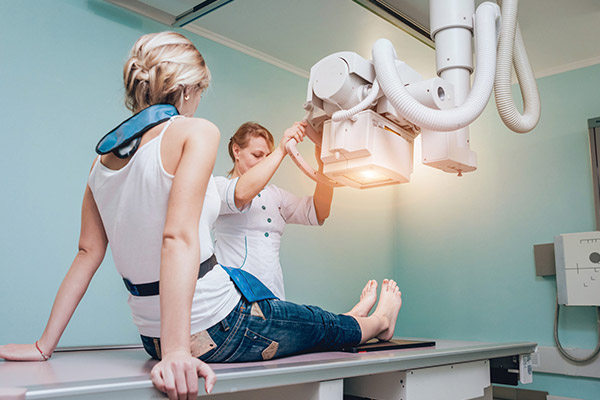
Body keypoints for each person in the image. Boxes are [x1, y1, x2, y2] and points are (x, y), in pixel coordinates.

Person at [0, 31, 403, 400]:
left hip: (152, 337)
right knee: (320, 326)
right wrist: (176, 353)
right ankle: (378, 321)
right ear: (189, 89)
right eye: (200, 92)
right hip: (219, 325)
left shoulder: (101, 163)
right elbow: (177, 237)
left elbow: (87, 253)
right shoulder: (196, 132)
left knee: (312, 322)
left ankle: (353, 319)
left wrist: (43, 345)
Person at [214, 121, 332, 299]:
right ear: (236, 151)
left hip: (273, 299)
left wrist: (324, 166)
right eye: (257, 155)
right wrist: (281, 149)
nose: (264, 162)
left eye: (267, 156)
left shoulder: (276, 196)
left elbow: (319, 211)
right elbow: (241, 194)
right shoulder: (219, 187)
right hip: (232, 301)